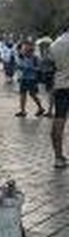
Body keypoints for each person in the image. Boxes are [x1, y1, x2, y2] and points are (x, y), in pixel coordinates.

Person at [50, 28, 69, 170]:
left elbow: (50, 66)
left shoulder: (55, 44)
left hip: (61, 84)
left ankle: (58, 157)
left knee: (59, 119)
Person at [16, 40, 47, 117]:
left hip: (32, 79)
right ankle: (22, 111)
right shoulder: (22, 56)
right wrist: (20, 67)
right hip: (23, 78)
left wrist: (31, 68)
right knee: (22, 94)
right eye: (24, 48)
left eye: (27, 48)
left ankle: (40, 108)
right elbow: (19, 66)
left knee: (33, 94)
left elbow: (39, 68)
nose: (25, 50)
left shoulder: (35, 58)